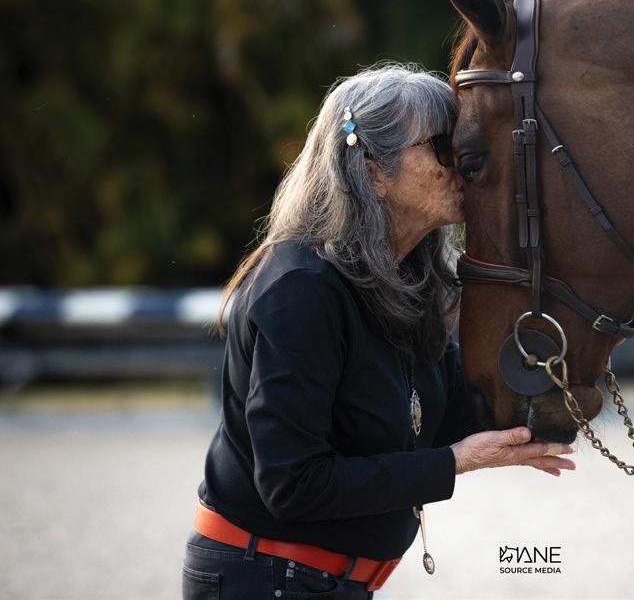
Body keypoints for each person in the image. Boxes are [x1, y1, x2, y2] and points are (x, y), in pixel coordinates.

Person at [182, 63, 576, 600]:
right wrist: (457, 462)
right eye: (442, 148)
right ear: (372, 174)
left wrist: (571, 341)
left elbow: (460, 412)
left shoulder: (410, 279)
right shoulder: (301, 290)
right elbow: (292, 485)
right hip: (262, 579)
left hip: (320, 582)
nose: (463, 163)